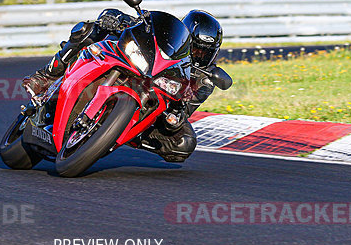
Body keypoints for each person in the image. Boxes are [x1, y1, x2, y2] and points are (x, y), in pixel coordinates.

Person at [22, 8, 223, 162]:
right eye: (193, 48)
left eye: (202, 52)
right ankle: (46, 76)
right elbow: (142, 25)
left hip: (154, 108)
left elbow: (184, 111)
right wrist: (117, 19)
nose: (196, 54)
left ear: (213, 53)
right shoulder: (168, 41)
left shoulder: (204, 79)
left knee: (184, 144)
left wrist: (177, 116)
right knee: (88, 29)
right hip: (133, 64)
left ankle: (114, 134)